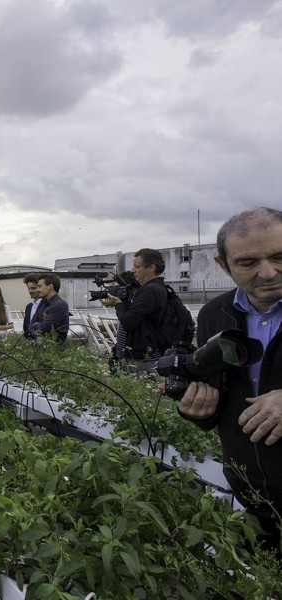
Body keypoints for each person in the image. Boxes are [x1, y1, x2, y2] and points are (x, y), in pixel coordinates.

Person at [177, 207, 282, 553]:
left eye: (279, 257)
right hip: (253, 495)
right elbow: (222, 399)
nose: (268, 273)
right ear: (223, 265)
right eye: (248, 263)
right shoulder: (214, 315)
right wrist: (200, 411)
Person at [101, 249, 169, 372]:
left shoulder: (149, 290)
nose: (133, 270)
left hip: (143, 359)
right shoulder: (158, 288)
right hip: (147, 355)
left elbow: (128, 322)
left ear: (151, 268)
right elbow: (140, 315)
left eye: (137, 267)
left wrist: (118, 304)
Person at [31, 273, 70, 343]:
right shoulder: (42, 302)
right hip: (39, 349)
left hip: (54, 350)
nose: (37, 290)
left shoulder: (60, 305)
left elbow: (45, 328)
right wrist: (38, 325)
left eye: (40, 286)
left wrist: (37, 325)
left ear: (50, 286)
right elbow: (30, 326)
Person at [21, 273, 44, 339]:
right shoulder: (29, 306)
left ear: (40, 287)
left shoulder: (47, 305)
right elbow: (26, 326)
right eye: (29, 288)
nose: (30, 291)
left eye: (33, 288)